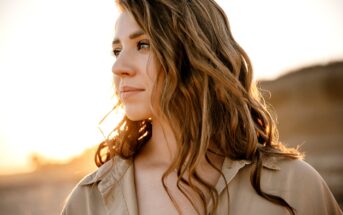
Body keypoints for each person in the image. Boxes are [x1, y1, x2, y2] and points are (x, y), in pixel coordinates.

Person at [61, 0, 342, 214]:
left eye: (143, 44)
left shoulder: (295, 187)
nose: (118, 67)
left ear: (196, 52)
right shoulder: (90, 201)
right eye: (117, 50)